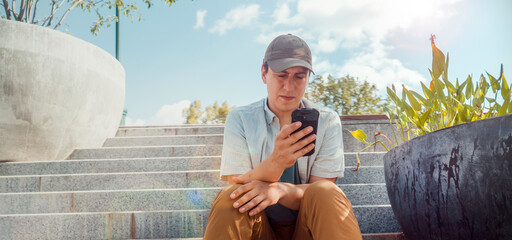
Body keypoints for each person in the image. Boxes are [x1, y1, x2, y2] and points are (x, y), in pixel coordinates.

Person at [203, 34, 362, 240]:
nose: (289, 87)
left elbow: (321, 190)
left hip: (309, 230)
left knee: (326, 192)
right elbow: (238, 184)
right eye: (281, 75)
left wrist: (279, 190)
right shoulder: (240, 119)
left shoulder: (327, 121)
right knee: (232, 198)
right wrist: (277, 162)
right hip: (258, 228)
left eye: (299, 77)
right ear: (264, 73)